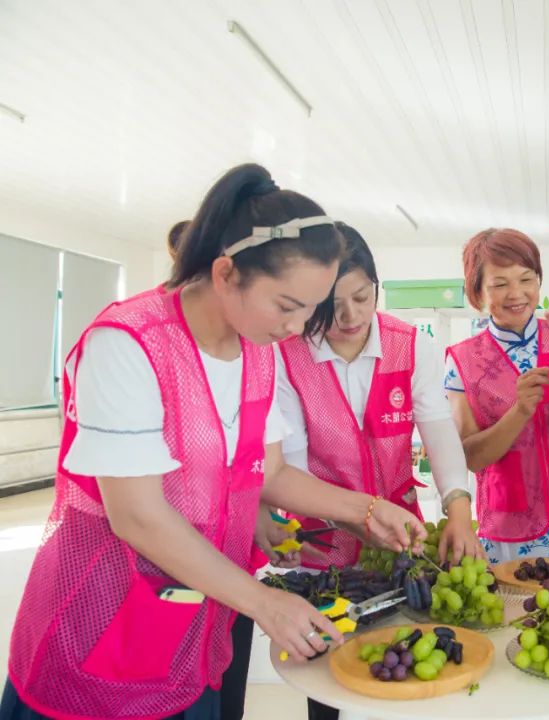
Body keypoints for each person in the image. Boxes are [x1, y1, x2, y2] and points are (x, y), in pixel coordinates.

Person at [0, 163, 426, 720]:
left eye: (309, 311)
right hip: (105, 620)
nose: (298, 329)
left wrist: (368, 510)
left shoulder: (257, 351)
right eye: (287, 306)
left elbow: (268, 472)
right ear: (226, 273)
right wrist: (264, 603)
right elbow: (137, 516)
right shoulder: (128, 344)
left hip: (197, 625)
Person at [276, 222, 482, 720]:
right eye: (330, 305)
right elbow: (291, 471)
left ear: (377, 286)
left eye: (362, 297)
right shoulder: (285, 356)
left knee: (405, 663)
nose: (349, 316)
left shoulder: (411, 346)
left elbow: (439, 433)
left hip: (402, 541)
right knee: (328, 676)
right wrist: (363, 518)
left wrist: (458, 506)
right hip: (322, 540)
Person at [445, 228, 549, 564]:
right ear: (476, 292)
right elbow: (469, 457)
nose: (516, 294)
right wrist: (518, 412)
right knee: (517, 614)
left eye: (526, 279)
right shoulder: (461, 360)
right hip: (508, 526)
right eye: (500, 284)